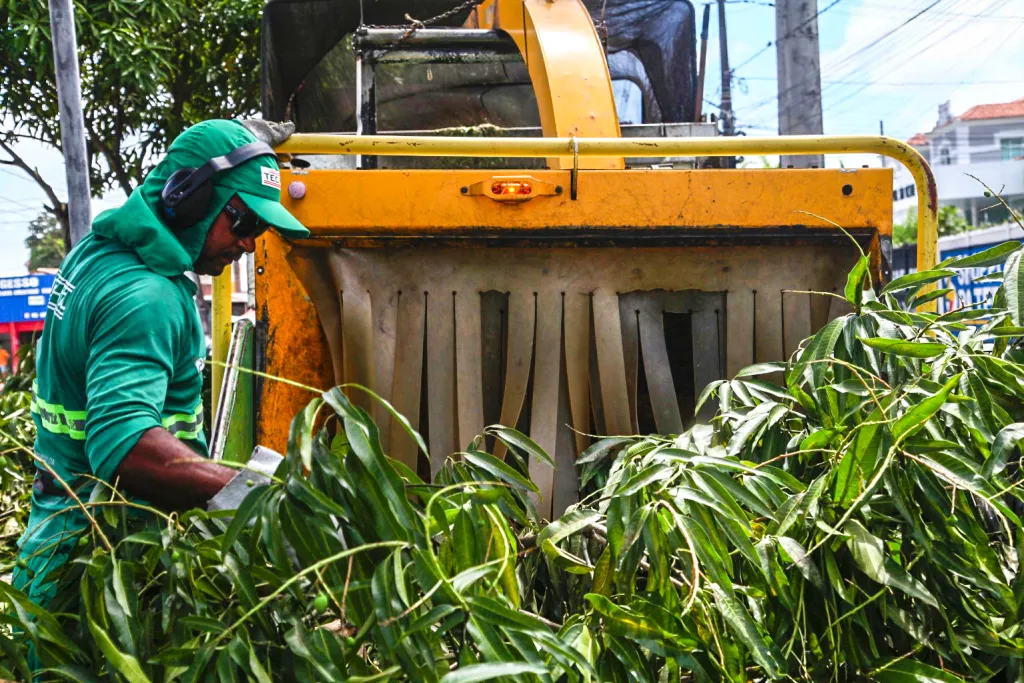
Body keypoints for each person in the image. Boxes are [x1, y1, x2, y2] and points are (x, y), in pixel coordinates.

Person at [13, 119, 307, 608]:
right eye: (245, 222)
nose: (250, 243)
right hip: (98, 586)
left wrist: (240, 149)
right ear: (190, 197)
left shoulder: (98, 252)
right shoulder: (146, 297)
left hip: (53, 547)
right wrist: (253, 493)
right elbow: (127, 445)